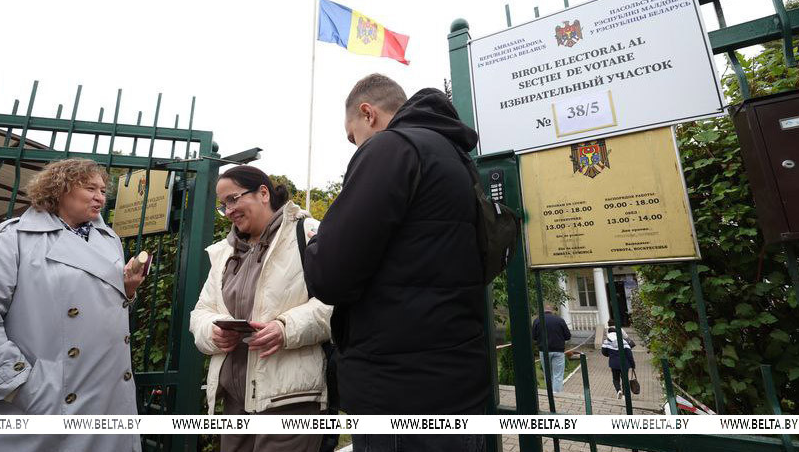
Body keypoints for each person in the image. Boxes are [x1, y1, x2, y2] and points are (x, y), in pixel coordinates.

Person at [303, 74, 488, 451]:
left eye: (352, 136)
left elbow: (330, 276)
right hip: (457, 385)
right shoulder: (455, 157)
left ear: (367, 113)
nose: (354, 145)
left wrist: (314, 244)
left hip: (397, 393)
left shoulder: (391, 148)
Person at [0, 158, 145, 452]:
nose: (100, 197)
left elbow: (99, 311)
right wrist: (30, 389)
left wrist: (127, 290)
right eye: (90, 188)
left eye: (102, 190)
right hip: (34, 416)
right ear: (59, 189)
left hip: (106, 405)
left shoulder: (108, 240)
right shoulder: (9, 239)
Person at [189, 165, 331, 452]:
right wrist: (213, 331)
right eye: (223, 205)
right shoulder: (223, 252)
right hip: (236, 403)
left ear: (263, 193)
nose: (228, 210)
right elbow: (201, 312)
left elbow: (334, 303)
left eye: (233, 199)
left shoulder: (308, 234)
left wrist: (285, 328)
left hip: (290, 401)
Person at [532, 305, 572, 392]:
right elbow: (568, 336)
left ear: (542, 311)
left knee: (547, 374)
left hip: (544, 351)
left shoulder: (537, 320)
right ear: (552, 311)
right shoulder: (560, 320)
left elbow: (534, 337)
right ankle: (556, 394)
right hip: (558, 350)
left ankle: (549, 394)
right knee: (558, 375)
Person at [601, 319, 636, 399]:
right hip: (625, 363)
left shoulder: (606, 341)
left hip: (613, 363)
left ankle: (618, 390)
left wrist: (610, 355)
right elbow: (629, 354)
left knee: (615, 378)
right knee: (624, 379)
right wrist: (633, 364)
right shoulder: (623, 341)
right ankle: (624, 395)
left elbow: (603, 352)